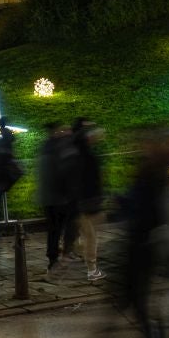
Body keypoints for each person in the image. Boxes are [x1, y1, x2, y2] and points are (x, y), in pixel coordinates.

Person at [120, 133, 169, 338]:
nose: (138, 145)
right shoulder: (147, 174)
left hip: (147, 252)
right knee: (142, 312)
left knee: (149, 315)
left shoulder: (158, 177)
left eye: (143, 142)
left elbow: (159, 214)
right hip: (137, 252)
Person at [37, 122, 79, 272]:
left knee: (53, 229)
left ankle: (53, 256)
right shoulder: (60, 149)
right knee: (62, 226)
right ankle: (62, 253)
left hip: (47, 197)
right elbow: (64, 173)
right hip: (59, 198)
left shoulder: (44, 148)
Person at [73, 118, 107, 282]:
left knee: (87, 232)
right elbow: (92, 180)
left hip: (80, 200)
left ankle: (75, 248)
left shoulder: (77, 153)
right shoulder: (87, 156)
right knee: (91, 236)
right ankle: (92, 269)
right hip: (86, 200)